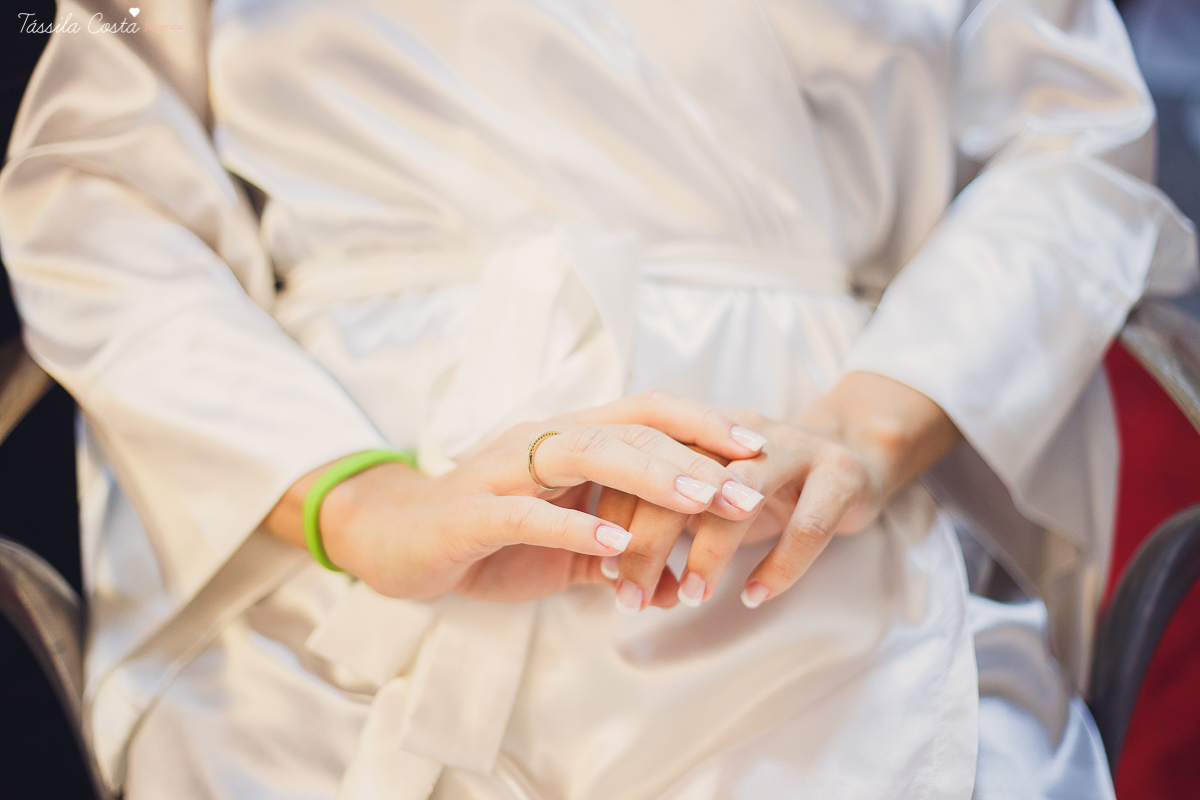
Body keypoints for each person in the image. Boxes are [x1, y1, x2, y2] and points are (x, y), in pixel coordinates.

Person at [1, 0, 1196, 798]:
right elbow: (94, 188)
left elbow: (1073, 137)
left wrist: (864, 428)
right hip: (320, 573)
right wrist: (362, 502)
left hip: (826, 531)